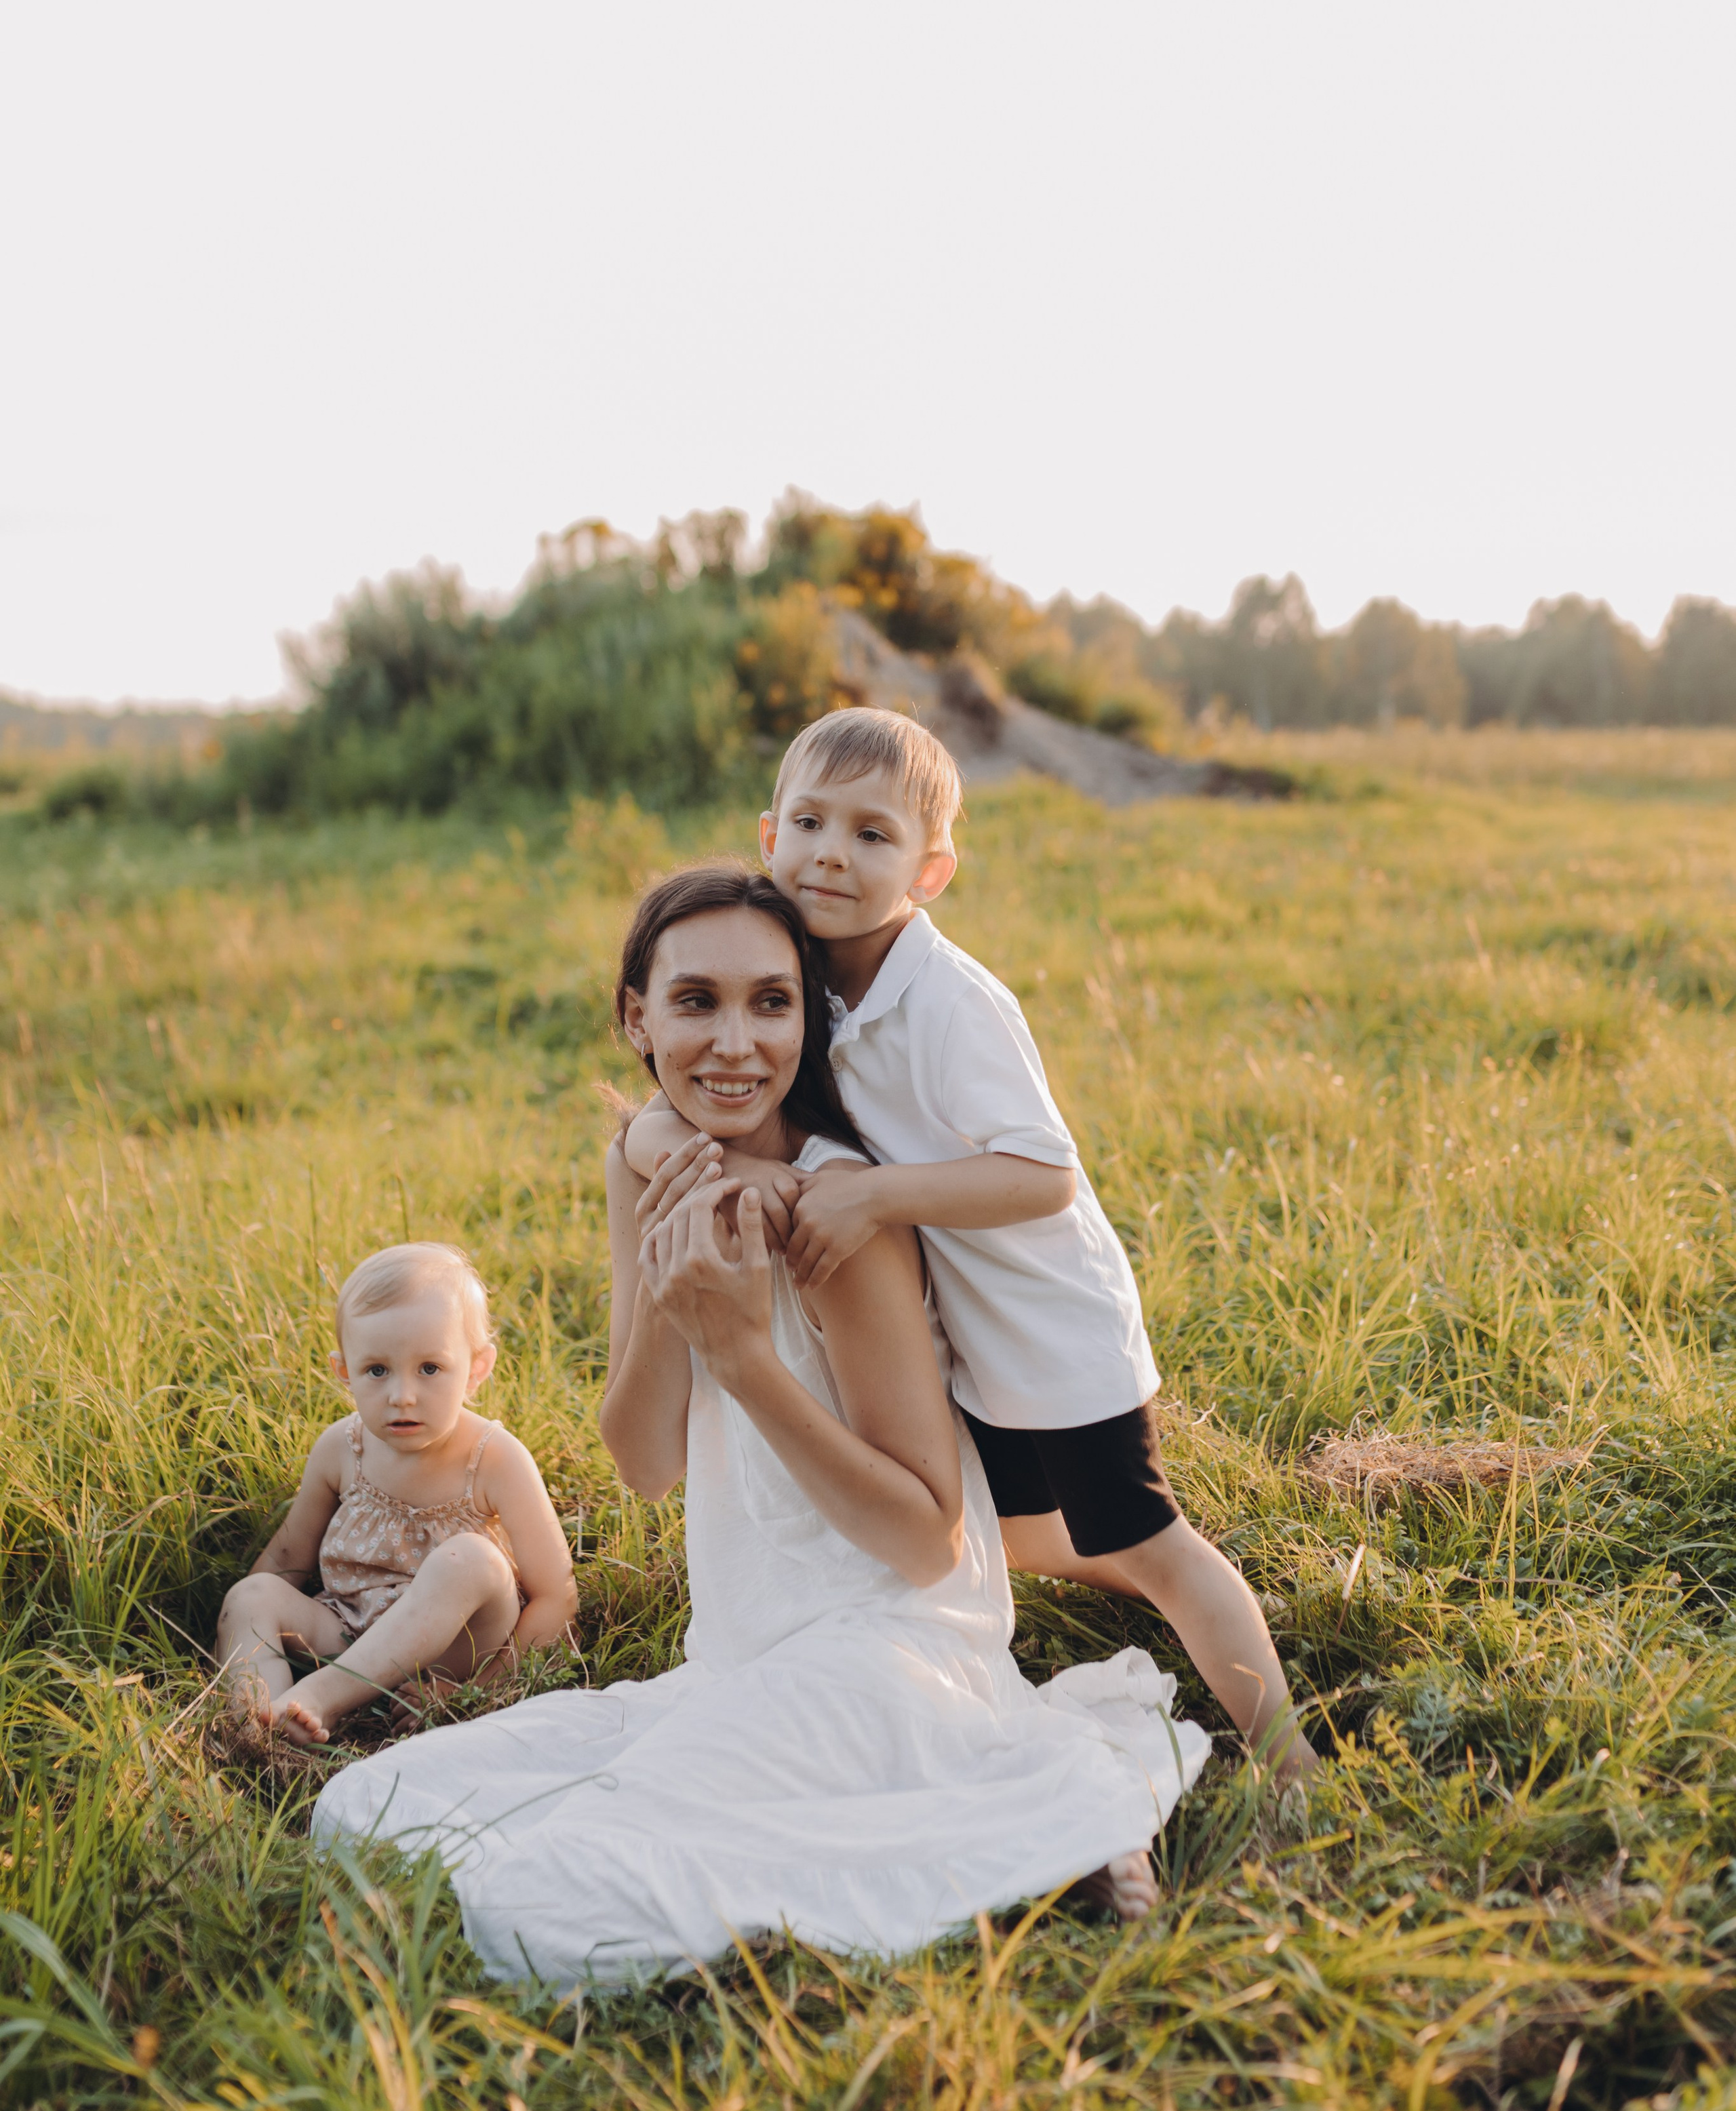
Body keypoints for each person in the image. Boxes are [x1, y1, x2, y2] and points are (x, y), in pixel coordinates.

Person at [313, 868, 1209, 1987]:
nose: (735, 1041)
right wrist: (672, 1290)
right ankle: (1012, 1826)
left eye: (771, 1003)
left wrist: (742, 1357)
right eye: (696, 1002)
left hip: (893, 1646)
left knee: (559, 1897)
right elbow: (644, 1462)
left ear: (810, 1019)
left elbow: (927, 1542)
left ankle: (1040, 1819)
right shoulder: (643, 1167)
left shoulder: (840, 1217)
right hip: (739, 1653)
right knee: (371, 1806)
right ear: (636, 1017)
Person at [625, 711, 1316, 1786]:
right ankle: (1167, 1592)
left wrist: (868, 1200)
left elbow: (1045, 1174)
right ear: (769, 837)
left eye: (872, 835)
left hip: (1049, 1330)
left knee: (1154, 1542)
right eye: (809, 823)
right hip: (963, 1325)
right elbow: (689, 1090)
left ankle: (1289, 1756)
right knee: (1031, 1534)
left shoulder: (950, 1001)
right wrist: (661, 1138)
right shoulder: (807, 966)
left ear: (931, 869)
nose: (832, 855)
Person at [216, 1242, 577, 1745]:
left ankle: (324, 1696)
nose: (402, 1395)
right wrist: (250, 1625)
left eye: (430, 1369)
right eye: (377, 1371)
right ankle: (263, 1725)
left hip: (452, 1653)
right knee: (251, 1594)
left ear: (476, 1368)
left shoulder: (496, 1459)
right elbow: (287, 1558)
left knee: (471, 1560)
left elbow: (557, 1596)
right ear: (345, 1371)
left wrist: (477, 1688)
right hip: (347, 1628)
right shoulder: (342, 1450)